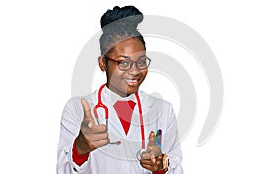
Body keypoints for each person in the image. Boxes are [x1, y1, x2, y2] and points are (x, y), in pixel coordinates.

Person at [57, 5, 183, 174]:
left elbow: (177, 167)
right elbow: (63, 171)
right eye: (123, 62)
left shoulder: (163, 110)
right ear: (103, 63)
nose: (135, 71)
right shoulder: (76, 109)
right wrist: (80, 150)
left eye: (141, 61)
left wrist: (161, 168)